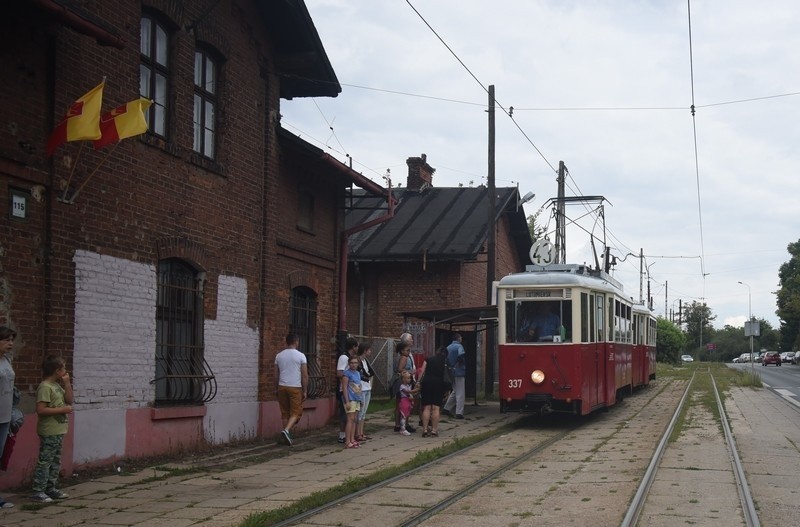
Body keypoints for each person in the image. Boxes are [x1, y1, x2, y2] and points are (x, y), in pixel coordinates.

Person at [31, 355, 73, 503]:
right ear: (57, 370)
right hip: (49, 430)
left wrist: (67, 383)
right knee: (45, 460)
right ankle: (38, 490)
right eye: (64, 368)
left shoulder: (57, 385)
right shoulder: (45, 387)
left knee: (55, 461)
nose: (66, 370)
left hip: (59, 430)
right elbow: (41, 410)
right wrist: (62, 410)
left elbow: (69, 400)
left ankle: (51, 487)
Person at [274, 333, 308, 447]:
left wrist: (276, 388)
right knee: (296, 412)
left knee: (285, 412)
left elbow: (275, 374)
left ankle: (286, 437)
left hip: (282, 386)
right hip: (295, 386)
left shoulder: (279, 356)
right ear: (296, 342)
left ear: (286, 342)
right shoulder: (301, 356)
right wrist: (305, 390)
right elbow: (304, 375)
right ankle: (287, 431)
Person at [0, 327, 17, 508]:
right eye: (6, 340)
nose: (10, 343)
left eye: (11, 340)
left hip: (4, 416)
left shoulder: (7, 359)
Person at [419, 346, 450, 437]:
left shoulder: (428, 359)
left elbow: (422, 371)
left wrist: (418, 382)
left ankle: (424, 430)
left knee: (427, 407)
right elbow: (448, 375)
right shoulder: (445, 362)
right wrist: (447, 389)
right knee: (436, 408)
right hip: (439, 384)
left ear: (437, 352)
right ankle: (434, 430)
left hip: (427, 383)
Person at [336, 336, 359, 444]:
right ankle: (342, 436)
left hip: (354, 393)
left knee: (352, 417)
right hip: (345, 390)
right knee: (345, 415)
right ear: (353, 347)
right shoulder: (344, 358)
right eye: (357, 346)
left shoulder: (351, 359)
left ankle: (350, 437)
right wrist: (348, 378)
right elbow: (339, 373)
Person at [393, 338, 417, 433]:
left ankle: (399, 424)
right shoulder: (404, 358)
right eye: (407, 350)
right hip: (403, 383)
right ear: (402, 350)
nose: (408, 352)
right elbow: (400, 369)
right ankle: (402, 424)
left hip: (404, 381)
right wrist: (411, 372)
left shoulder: (401, 357)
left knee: (401, 404)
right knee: (404, 403)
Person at [340, 356, 362, 448]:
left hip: (357, 399)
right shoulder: (346, 374)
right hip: (350, 399)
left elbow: (359, 386)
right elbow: (344, 387)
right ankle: (347, 440)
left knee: (354, 420)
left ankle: (352, 439)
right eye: (352, 363)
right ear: (349, 364)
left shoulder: (357, 373)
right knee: (350, 419)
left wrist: (360, 399)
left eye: (355, 363)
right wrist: (347, 401)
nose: (353, 364)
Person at [443, 333, 466, 419]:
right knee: (460, 392)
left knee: (455, 390)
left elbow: (446, 358)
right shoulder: (459, 346)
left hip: (451, 371)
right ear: (459, 339)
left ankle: (446, 408)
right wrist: (459, 364)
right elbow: (461, 356)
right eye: (461, 338)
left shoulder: (448, 347)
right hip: (459, 371)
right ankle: (459, 412)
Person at [355, 343, 373, 442]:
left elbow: (370, 373)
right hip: (361, 388)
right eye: (369, 350)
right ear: (364, 350)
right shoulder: (358, 361)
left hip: (367, 388)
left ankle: (361, 432)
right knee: (360, 412)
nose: (370, 352)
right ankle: (357, 433)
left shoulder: (365, 361)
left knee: (364, 412)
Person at [396, 370, 419, 436]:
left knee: (406, 415)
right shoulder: (402, 386)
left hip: (408, 401)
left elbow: (411, 393)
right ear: (403, 379)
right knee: (403, 416)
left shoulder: (408, 385)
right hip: (404, 401)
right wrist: (415, 390)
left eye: (410, 378)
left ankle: (404, 427)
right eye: (408, 378)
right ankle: (402, 429)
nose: (409, 380)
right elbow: (408, 392)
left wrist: (416, 389)